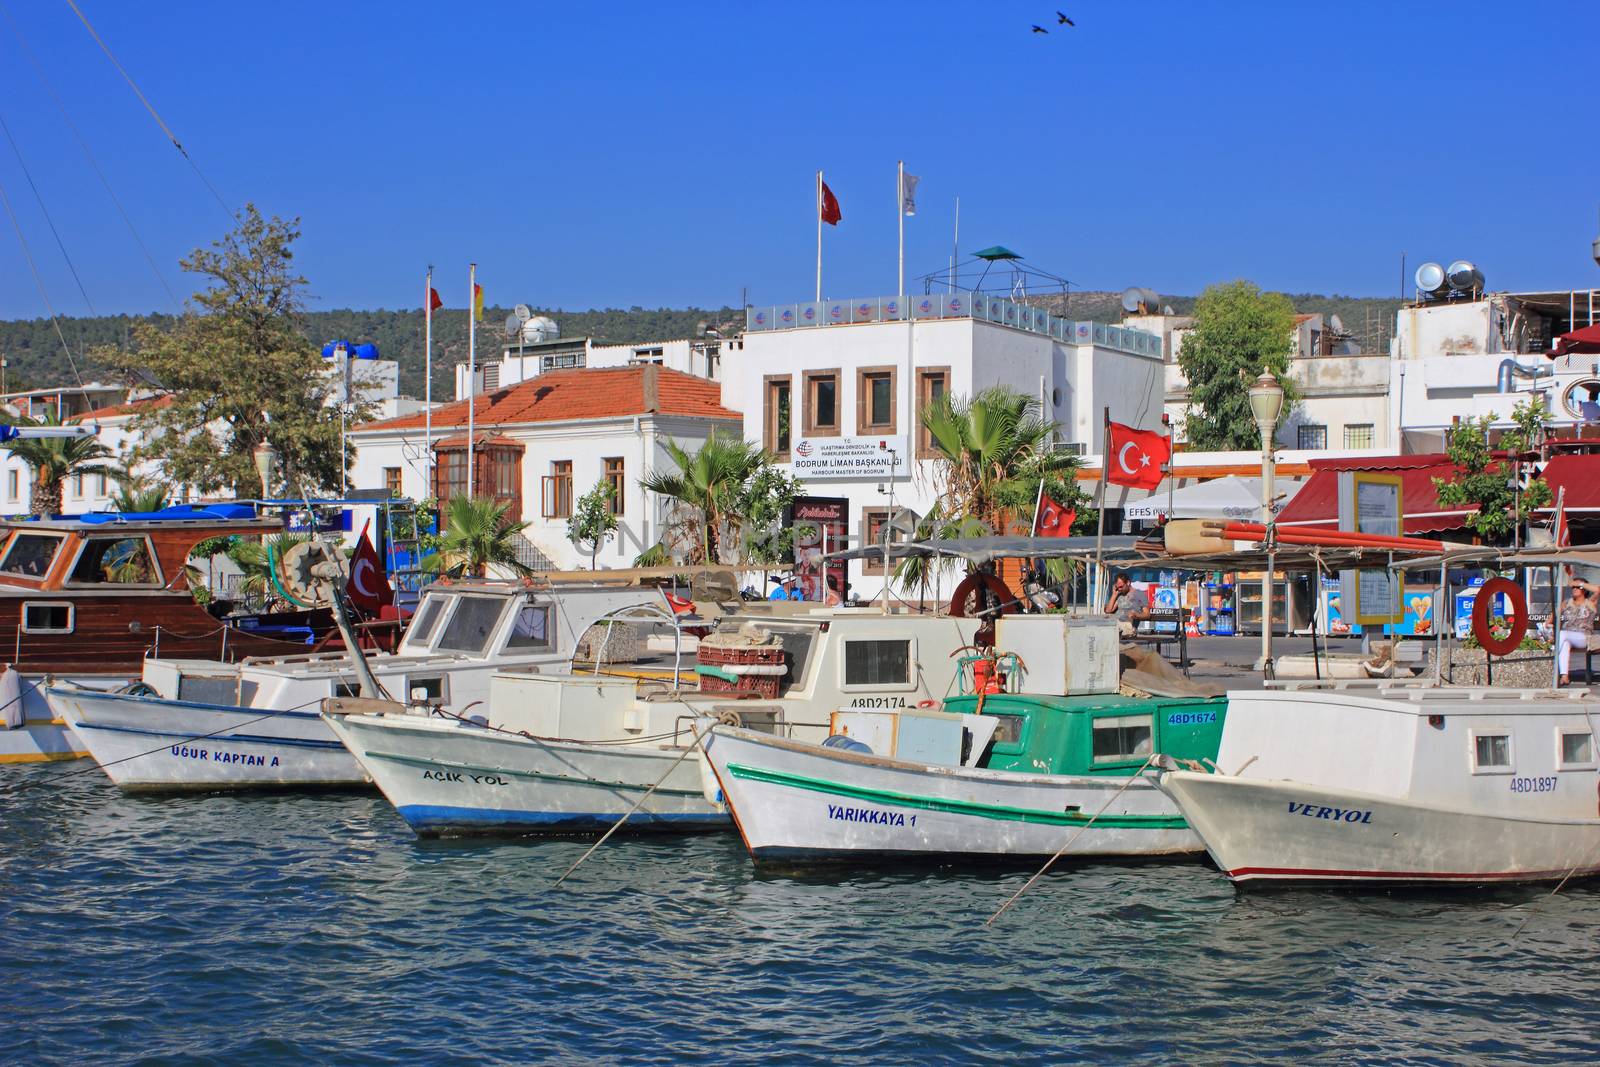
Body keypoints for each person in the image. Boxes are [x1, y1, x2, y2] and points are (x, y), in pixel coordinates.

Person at [1556, 576, 1599, 685]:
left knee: (1562, 635)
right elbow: (1554, 615)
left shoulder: (1590, 602)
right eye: (1573, 587)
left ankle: (1552, 658)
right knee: (1564, 642)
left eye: (1577, 587)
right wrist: (1547, 624)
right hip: (1567, 637)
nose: (1574, 589)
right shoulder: (1567, 603)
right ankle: (1564, 676)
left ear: (1584, 590)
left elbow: (1598, 590)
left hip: (1583, 637)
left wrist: (1580, 583)